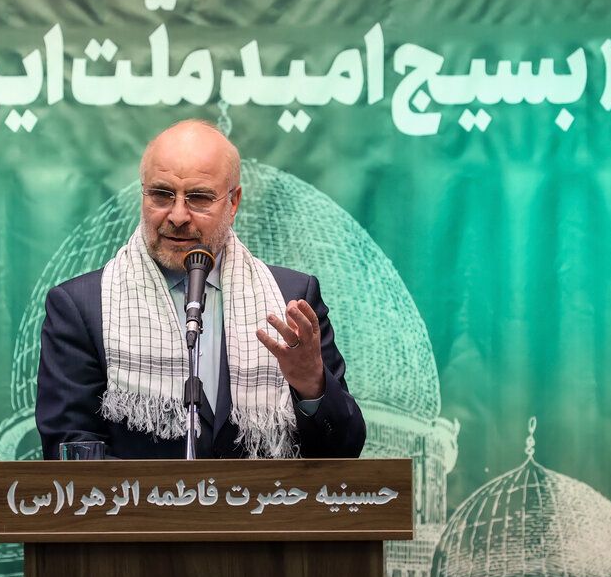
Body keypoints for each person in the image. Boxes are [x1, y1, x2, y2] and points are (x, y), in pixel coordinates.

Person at [36, 120, 365, 459]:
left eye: (198, 198)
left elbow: (344, 450)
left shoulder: (291, 299)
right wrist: (172, 493)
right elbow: (71, 454)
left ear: (233, 203)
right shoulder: (82, 307)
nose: (178, 215)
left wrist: (312, 386)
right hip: (139, 497)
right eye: (162, 195)